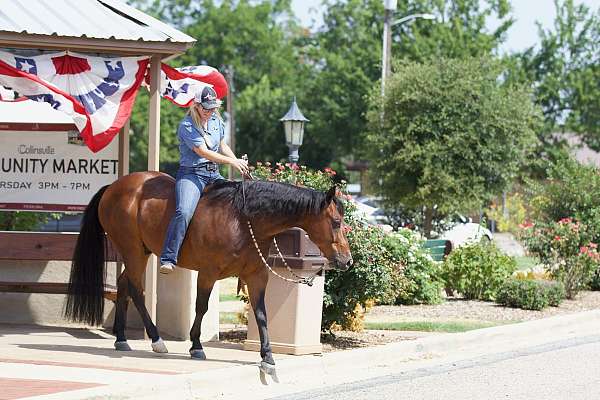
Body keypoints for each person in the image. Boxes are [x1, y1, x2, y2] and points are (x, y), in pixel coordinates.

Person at [159, 86, 249, 274]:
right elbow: (204, 152)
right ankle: (168, 257)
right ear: (196, 106)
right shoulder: (187, 126)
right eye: (206, 108)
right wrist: (233, 162)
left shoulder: (216, 120)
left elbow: (222, 145)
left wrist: (239, 163)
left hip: (213, 174)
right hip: (191, 174)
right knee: (183, 211)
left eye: (213, 107)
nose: (210, 111)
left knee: (239, 201)